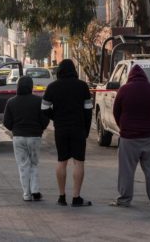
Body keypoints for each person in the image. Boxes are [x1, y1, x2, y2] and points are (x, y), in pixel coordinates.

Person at [110, 64, 150, 208]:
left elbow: (116, 112)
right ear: (145, 77)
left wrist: (123, 127)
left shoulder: (124, 90)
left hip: (128, 138)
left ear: (130, 77)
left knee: (126, 171)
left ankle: (124, 200)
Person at [42, 59, 93, 207]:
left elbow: (44, 109)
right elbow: (88, 110)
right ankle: (76, 197)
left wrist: (56, 117)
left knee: (62, 161)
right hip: (78, 128)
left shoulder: (52, 87)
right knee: (78, 162)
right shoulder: (82, 86)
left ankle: (61, 196)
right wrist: (86, 130)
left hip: (61, 128)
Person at [2, 75, 49, 202]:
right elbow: (45, 119)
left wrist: (14, 129)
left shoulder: (11, 102)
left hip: (18, 137)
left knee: (23, 166)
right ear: (31, 87)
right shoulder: (38, 101)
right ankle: (35, 191)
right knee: (34, 164)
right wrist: (40, 128)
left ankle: (26, 194)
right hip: (35, 137)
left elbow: (6, 121)